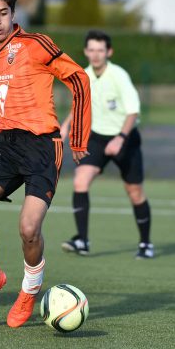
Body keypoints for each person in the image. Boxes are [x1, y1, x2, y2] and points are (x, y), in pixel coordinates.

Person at [0, 0, 91, 328]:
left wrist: (79, 136)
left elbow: (79, 78)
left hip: (42, 146)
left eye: (3, 13)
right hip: (6, 144)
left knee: (28, 228)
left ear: (13, 13)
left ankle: (29, 290)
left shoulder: (36, 45)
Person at [60, 30, 153, 259]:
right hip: (97, 137)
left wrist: (120, 138)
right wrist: (65, 127)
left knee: (135, 192)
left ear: (108, 52)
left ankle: (145, 244)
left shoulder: (119, 75)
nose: (95, 54)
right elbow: (79, 105)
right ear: (85, 51)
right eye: (91, 49)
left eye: (100, 50)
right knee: (80, 181)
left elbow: (133, 112)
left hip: (125, 138)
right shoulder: (83, 75)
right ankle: (82, 240)